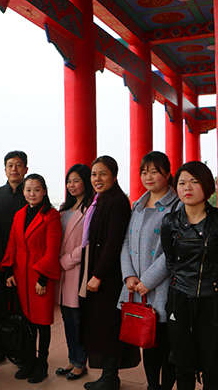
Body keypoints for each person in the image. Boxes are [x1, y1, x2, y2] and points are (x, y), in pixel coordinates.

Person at [161, 161, 218, 390]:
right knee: (182, 364)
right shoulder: (170, 222)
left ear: (207, 186)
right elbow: (170, 260)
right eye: (182, 183)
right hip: (179, 299)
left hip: (212, 301)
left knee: (213, 366)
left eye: (194, 182)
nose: (187, 187)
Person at [118, 151, 178, 390]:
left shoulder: (177, 207)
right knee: (148, 343)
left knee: (167, 344)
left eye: (154, 171)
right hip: (136, 287)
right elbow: (125, 242)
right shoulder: (138, 206)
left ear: (168, 174)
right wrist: (129, 275)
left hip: (163, 288)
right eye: (144, 172)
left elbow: (173, 251)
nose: (148, 177)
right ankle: (153, 386)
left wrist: (148, 281)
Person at [1, 173, 62, 384]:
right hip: (21, 277)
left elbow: (52, 250)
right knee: (26, 323)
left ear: (44, 191)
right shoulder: (19, 215)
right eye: (28, 190)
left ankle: (42, 364)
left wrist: (43, 278)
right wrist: (8, 271)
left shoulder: (51, 215)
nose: (32, 193)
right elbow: (12, 243)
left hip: (40, 279)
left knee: (42, 324)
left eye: (36, 189)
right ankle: (28, 361)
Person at [80, 156, 131, 390]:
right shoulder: (99, 200)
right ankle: (108, 376)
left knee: (109, 325)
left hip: (109, 276)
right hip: (98, 270)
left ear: (114, 176)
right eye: (94, 174)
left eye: (103, 173)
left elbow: (113, 243)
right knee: (102, 324)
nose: (97, 179)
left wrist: (98, 274)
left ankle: (110, 378)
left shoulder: (117, 202)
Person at [0, 150, 28, 368]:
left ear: (26, 169)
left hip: (24, 265)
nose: (14, 169)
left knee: (22, 310)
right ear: (5, 170)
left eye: (18, 165)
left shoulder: (31, 194)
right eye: (10, 165)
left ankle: (21, 352)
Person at [56, 164, 93, 381]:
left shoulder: (90, 209)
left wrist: (67, 260)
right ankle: (72, 359)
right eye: (69, 181)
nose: (71, 185)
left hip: (77, 270)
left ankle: (80, 362)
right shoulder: (64, 209)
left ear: (86, 182)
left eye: (76, 180)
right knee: (67, 319)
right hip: (62, 273)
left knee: (78, 320)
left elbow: (89, 244)